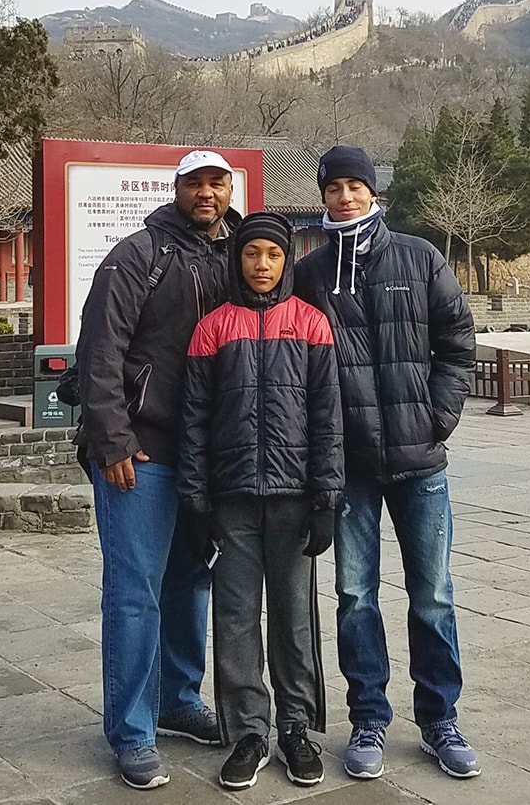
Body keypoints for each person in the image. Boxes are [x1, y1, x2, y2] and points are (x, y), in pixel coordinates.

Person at [294, 145, 481, 780]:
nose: (345, 197)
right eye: (334, 187)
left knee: (433, 596)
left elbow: (458, 344)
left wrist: (437, 417)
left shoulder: (419, 257)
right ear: (322, 195)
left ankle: (439, 719)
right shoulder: (313, 271)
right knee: (354, 596)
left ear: (373, 191)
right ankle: (368, 718)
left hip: (420, 460)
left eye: (355, 186)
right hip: (349, 464)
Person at [76, 150, 241, 790]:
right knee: (134, 592)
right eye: (195, 182)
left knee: (188, 582)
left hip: (205, 454)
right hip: (139, 454)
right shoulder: (137, 255)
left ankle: (178, 697)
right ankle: (133, 730)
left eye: (216, 182)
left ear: (230, 189)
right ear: (175, 188)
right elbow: (101, 352)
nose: (206, 193)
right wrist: (112, 439)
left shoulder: (237, 255)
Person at [178, 212, 344, 791]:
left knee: (295, 620)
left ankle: (296, 727)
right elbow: (194, 421)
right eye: (252, 255)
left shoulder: (312, 325)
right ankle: (248, 731)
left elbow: (328, 418)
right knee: (235, 618)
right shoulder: (213, 327)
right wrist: (196, 501)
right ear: (238, 260)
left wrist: (327, 497)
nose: (263, 265)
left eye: (273, 255)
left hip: (296, 499)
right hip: (232, 500)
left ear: (287, 260)